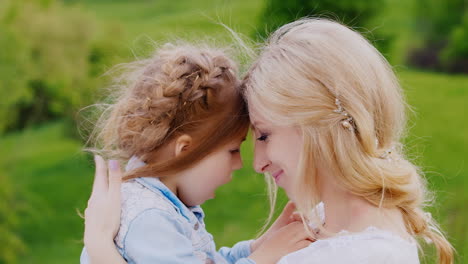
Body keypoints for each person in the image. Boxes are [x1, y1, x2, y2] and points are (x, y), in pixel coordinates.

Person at [84, 19, 454, 264]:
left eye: (263, 134)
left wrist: (102, 249)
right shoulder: (328, 221)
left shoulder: (360, 255)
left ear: (316, 126)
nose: (255, 162)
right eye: (248, 141)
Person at [80, 43, 313, 264]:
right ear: (184, 151)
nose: (239, 163)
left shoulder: (164, 204)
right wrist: (263, 258)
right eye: (232, 150)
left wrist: (258, 246)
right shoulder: (150, 219)